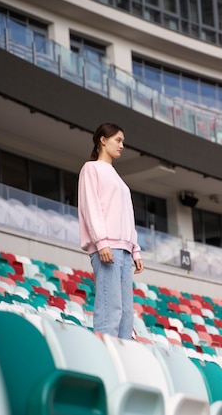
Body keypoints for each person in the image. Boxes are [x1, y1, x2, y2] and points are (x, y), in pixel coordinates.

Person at [78, 122, 144, 339]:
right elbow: (91, 207)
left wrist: (135, 250)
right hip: (107, 247)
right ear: (103, 140)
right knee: (110, 309)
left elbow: (127, 215)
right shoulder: (91, 169)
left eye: (123, 141)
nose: (122, 145)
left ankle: (123, 362)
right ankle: (107, 358)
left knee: (126, 314)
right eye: (118, 140)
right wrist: (102, 241)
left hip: (124, 251)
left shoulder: (118, 178)